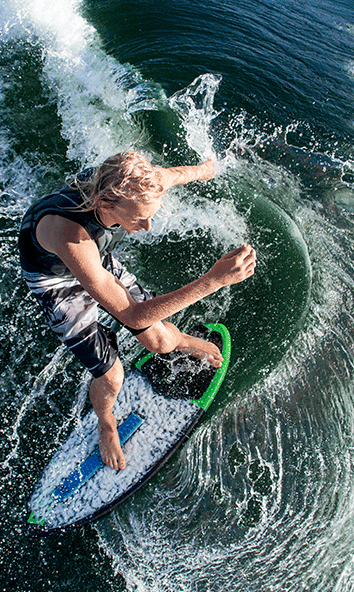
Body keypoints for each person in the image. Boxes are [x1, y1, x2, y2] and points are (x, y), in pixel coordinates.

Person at [18, 152, 256, 471]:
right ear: (105, 204)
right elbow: (132, 316)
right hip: (56, 278)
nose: (146, 226)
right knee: (112, 376)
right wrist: (213, 280)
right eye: (138, 219)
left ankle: (181, 339)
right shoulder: (71, 234)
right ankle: (106, 424)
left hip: (96, 260)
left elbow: (175, 175)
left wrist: (205, 169)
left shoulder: (140, 183)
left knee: (158, 341)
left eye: (150, 216)